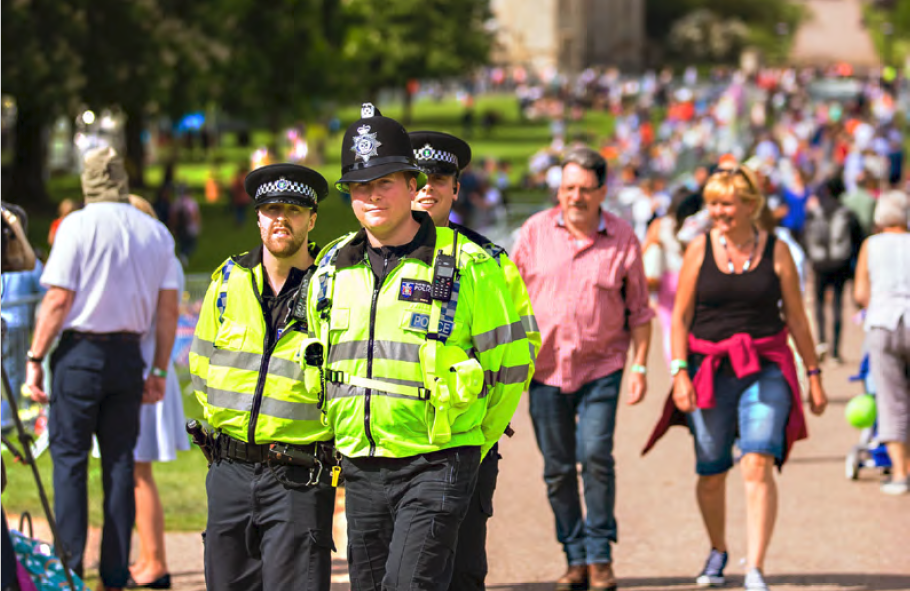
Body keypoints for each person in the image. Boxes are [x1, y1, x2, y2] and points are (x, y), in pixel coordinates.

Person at [307, 103, 530, 590]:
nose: (371, 196)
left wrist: (473, 440)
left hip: (437, 459)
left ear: (412, 186)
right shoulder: (330, 267)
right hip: (361, 464)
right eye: (359, 186)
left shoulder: (472, 265)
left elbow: (510, 366)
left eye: (384, 182)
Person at [644, 165, 828, 591]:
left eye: (726, 204)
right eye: (712, 204)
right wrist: (679, 371)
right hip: (708, 368)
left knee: (758, 461)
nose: (718, 212)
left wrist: (813, 374)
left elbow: (797, 319)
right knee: (711, 470)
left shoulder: (777, 250)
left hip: (765, 366)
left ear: (749, 205)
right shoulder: (698, 249)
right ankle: (718, 548)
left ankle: (755, 566)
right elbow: (680, 318)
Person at [23, 147, 178, 591]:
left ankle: (70, 570)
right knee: (120, 466)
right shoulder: (156, 232)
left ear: (88, 183)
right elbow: (167, 312)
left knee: (69, 462)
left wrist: (35, 358)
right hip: (129, 356)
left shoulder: (76, 226)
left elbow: (57, 300)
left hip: (81, 353)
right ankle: (115, 574)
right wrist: (160, 371)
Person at [512, 147, 654, 591]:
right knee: (557, 468)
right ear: (559, 190)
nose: (575, 197)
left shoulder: (624, 238)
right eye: (567, 188)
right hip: (545, 370)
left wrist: (641, 368)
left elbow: (641, 313)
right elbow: (508, 301)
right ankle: (574, 557)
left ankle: (599, 555)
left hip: (602, 367)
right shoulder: (534, 232)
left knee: (594, 456)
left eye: (584, 189)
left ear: (601, 192)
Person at [188, 163, 336, 591]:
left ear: (311, 219)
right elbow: (201, 363)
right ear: (257, 217)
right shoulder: (228, 280)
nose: (281, 219)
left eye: (293, 209)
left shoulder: (335, 288)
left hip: (298, 474)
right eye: (271, 209)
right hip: (228, 469)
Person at [409, 129, 540, 591]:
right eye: (418, 176)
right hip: (389, 448)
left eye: (440, 177)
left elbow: (517, 359)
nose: (428, 186)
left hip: (465, 447)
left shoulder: (490, 262)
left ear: (455, 189)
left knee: (462, 571)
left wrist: (478, 442)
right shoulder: (357, 258)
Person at [125, 195, 188, 589]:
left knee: (136, 472)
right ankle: (148, 558)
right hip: (149, 367)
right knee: (134, 471)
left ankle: (154, 562)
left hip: (145, 369)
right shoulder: (166, 259)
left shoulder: (152, 262)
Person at [853, 191, 910, 495]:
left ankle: (901, 472)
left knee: (890, 398)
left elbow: (861, 293)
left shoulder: (871, 246)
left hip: (883, 322)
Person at [803, 176, 864, 364]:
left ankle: (821, 342)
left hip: (820, 263)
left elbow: (805, 237)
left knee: (819, 304)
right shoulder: (847, 213)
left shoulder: (815, 212)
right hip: (840, 263)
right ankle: (836, 352)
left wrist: (811, 258)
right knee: (837, 303)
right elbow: (858, 239)